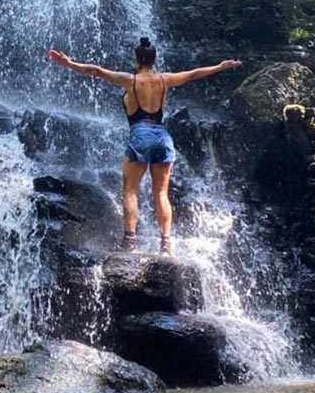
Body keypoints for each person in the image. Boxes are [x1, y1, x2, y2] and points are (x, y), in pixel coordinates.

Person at [48, 38, 241, 255]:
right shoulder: (164, 79)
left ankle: (130, 243)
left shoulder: (129, 80)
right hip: (162, 137)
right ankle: (166, 246)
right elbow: (194, 73)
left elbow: (96, 70)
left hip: (140, 134)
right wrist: (220, 67)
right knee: (161, 193)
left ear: (136, 59)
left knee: (130, 190)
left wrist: (69, 64)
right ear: (154, 59)